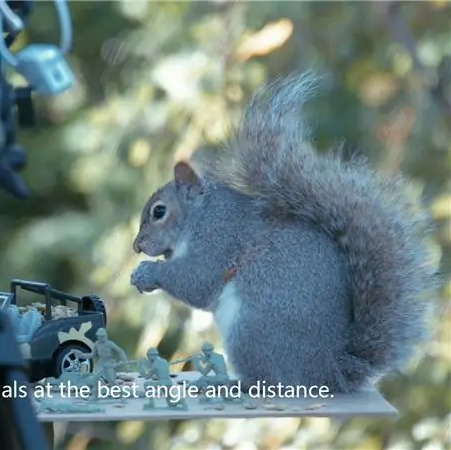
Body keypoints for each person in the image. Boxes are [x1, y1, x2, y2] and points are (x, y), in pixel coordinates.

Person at [130, 73, 438, 393]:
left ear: (192, 189)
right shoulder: (222, 220)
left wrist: (157, 274)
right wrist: (163, 269)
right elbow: (203, 286)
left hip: (301, 345)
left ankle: (259, 383)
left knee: (242, 310)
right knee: (239, 304)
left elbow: (200, 287)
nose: (142, 240)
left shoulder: (215, 221)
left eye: (159, 215)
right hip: (304, 344)